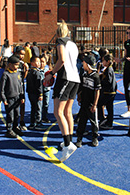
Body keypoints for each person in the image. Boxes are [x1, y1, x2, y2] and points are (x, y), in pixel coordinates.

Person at [45, 22, 80, 162]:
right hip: (75, 79)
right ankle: (69, 140)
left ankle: (67, 145)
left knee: (58, 112)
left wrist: (51, 73)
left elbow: (62, 60)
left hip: (65, 78)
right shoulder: (73, 44)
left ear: (58, 32)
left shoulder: (60, 41)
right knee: (68, 112)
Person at [75, 54, 101, 147]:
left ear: (88, 64)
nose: (82, 64)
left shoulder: (96, 77)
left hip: (91, 104)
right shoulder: (84, 75)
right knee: (82, 121)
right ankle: (79, 138)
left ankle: (94, 137)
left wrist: (95, 104)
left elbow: (97, 91)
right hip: (84, 103)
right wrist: (79, 95)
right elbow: (81, 87)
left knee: (93, 122)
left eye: (84, 63)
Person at [0, 56, 25, 138]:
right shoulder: (5, 74)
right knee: (10, 115)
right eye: (16, 65)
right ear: (10, 64)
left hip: (17, 98)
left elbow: (20, 85)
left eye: (18, 65)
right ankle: (9, 129)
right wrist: (4, 98)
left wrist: (22, 96)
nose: (17, 67)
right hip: (9, 98)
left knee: (17, 114)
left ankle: (15, 127)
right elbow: (2, 89)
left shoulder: (18, 73)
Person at [99, 53, 119, 130]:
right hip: (111, 92)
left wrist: (101, 82)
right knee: (109, 108)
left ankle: (103, 119)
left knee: (99, 104)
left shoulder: (108, 70)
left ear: (107, 61)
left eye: (103, 61)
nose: (102, 62)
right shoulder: (109, 69)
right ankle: (109, 122)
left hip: (108, 92)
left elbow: (109, 81)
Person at [25, 57, 45, 130]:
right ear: (32, 63)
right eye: (37, 62)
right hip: (36, 93)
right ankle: (38, 123)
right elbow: (39, 85)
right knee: (38, 108)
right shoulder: (37, 73)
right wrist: (41, 94)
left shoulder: (30, 71)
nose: (39, 63)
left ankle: (32, 123)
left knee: (33, 108)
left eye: (39, 62)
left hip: (30, 92)